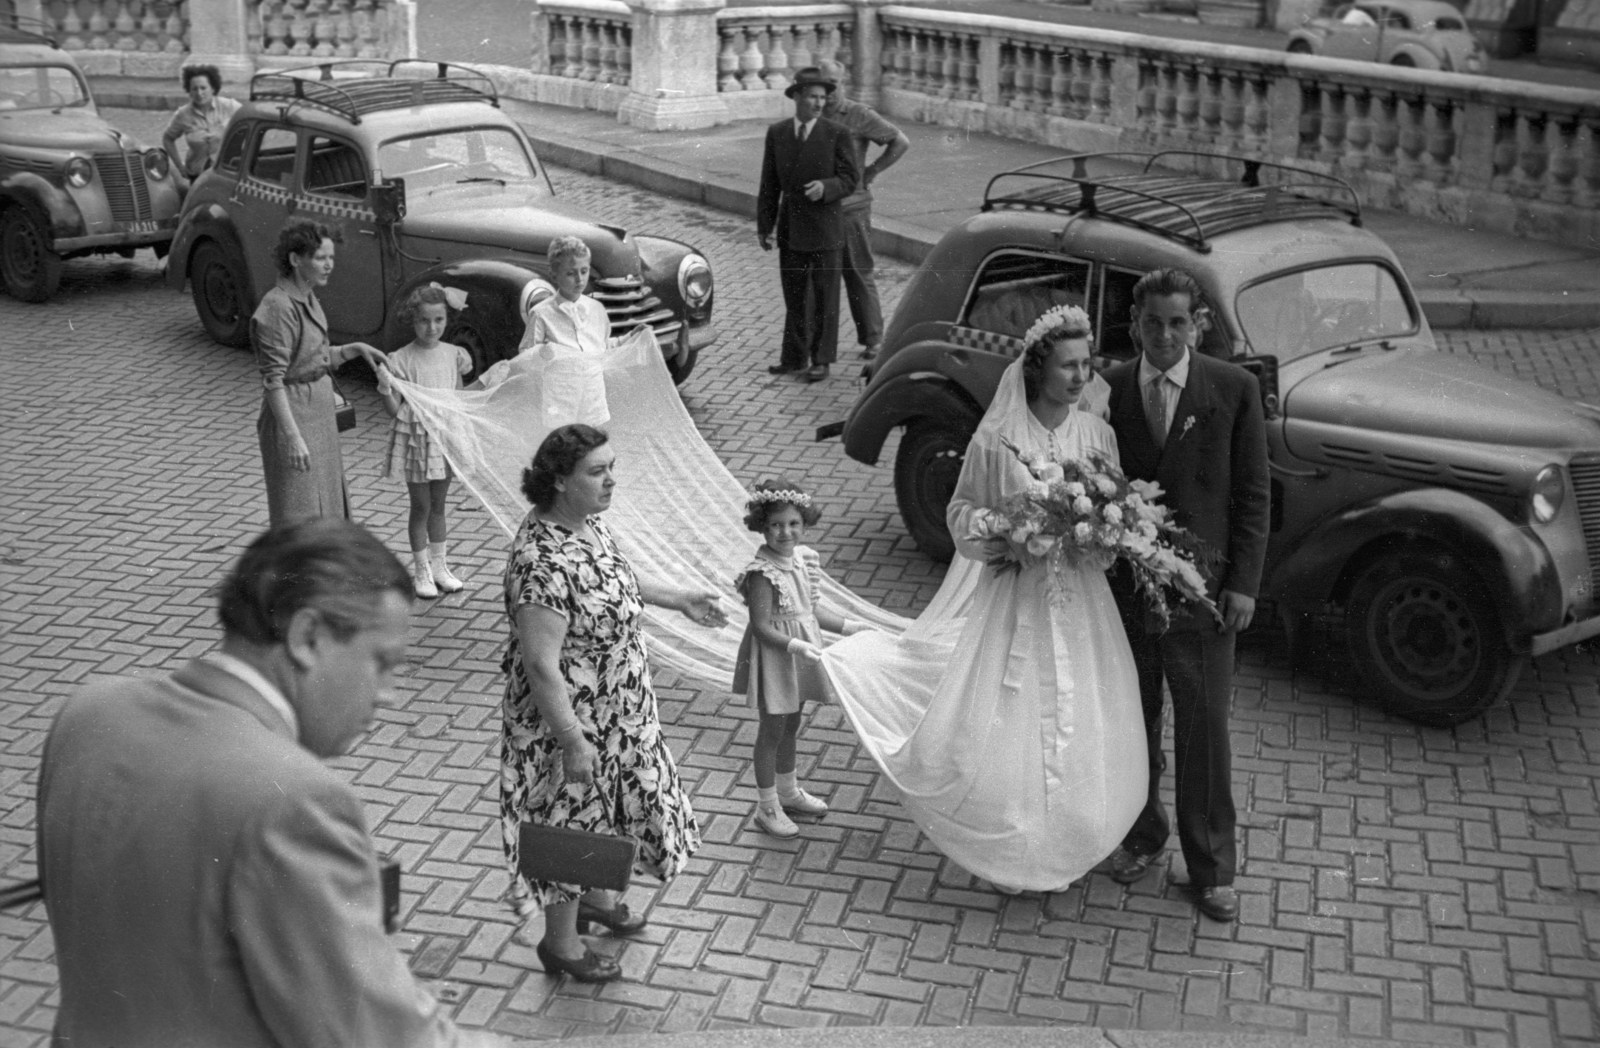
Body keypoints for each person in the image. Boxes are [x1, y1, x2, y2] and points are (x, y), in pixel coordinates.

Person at [36, 519, 508, 1048]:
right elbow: (376, 1034)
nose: (388, 695)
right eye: (382, 663)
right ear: (308, 636)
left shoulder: (90, 712)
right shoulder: (295, 799)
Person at [824, 305, 1148, 893]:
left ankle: (1071, 836)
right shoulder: (999, 440)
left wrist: (1100, 534)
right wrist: (1004, 530)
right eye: (1067, 367)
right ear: (1037, 371)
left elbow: (1111, 512)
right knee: (1016, 714)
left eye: (1086, 364)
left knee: (1082, 714)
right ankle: (1014, 840)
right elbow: (960, 510)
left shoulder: (1097, 435)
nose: (1080, 378)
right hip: (1017, 597)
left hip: (1080, 601)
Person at [501, 424, 724, 984]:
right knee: (569, 823)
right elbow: (540, 664)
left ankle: (597, 901)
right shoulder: (540, 563)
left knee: (610, 807)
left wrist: (679, 599)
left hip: (619, 710)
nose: (611, 480)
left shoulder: (587, 525)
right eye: (597, 471)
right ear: (559, 481)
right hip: (573, 720)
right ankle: (561, 946)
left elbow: (613, 580)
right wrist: (572, 739)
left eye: (611, 467)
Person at [1102, 268, 1271, 923]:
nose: (1165, 335)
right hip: (1125, 596)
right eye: (1152, 323)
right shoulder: (1110, 389)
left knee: (1205, 735)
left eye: (1178, 322)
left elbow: (1254, 497)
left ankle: (1211, 869)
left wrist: (1245, 586)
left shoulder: (1233, 390)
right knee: (1134, 723)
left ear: (1197, 324)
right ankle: (1142, 836)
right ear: (1135, 326)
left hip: (1203, 600)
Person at [733, 479, 870, 838]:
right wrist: (795, 646)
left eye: (793, 524)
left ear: (804, 525)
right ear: (762, 527)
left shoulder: (803, 561)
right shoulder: (762, 573)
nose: (785, 532)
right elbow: (761, 626)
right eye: (776, 524)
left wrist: (850, 626)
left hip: (798, 654)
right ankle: (767, 806)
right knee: (772, 729)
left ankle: (789, 792)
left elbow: (811, 611)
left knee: (792, 724)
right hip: (777, 658)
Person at [253, 217, 387, 526]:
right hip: (295, 417)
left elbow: (308, 358)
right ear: (295, 259)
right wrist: (292, 437)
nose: (329, 265)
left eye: (331, 258)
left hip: (318, 414)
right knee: (299, 514)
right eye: (321, 258)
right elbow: (274, 381)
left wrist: (351, 350)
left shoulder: (307, 295)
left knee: (327, 505)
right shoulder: (278, 307)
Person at [756, 66, 859, 383]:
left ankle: (822, 360)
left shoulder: (836, 133)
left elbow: (851, 179)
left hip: (826, 229)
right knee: (795, 295)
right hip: (791, 228)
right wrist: (765, 226)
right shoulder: (779, 133)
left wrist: (827, 188)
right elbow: (769, 183)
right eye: (812, 96)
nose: (818, 103)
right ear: (797, 97)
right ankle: (794, 358)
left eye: (822, 98)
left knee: (825, 298)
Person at [378, 282, 473, 598]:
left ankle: (440, 568)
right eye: (423, 321)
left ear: (447, 320)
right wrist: (385, 388)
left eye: (439, 320)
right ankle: (421, 572)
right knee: (421, 505)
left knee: (439, 504)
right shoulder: (402, 359)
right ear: (412, 321)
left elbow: (455, 397)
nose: (431, 327)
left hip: (443, 437)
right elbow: (395, 411)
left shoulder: (454, 355)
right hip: (418, 439)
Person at [820, 72, 910, 361]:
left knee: (858, 272)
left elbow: (900, 141)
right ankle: (819, 346)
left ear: (843, 82)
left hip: (851, 207)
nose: (829, 92)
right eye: (823, 86)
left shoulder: (858, 114)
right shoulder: (812, 114)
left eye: (834, 85)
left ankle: (873, 340)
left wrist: (872, 170)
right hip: (819, 207)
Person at [162, 63, 241, 182]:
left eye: (203, 88)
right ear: (189, 91)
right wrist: (180, 167)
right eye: (194, 88)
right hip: (197, 175)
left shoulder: (230, 106)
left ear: (213, 88)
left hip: (227, 173)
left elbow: (250, 121)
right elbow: (167, 139)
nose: (199, 93)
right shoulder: (183, 115)